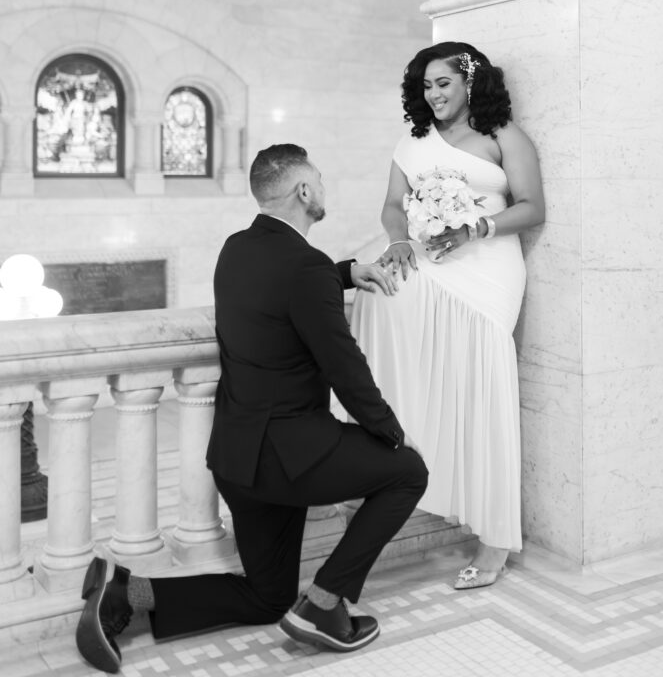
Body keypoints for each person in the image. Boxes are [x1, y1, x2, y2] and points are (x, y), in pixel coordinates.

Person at [76, 143, 427, 673]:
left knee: (267, 598)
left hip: (239, 462)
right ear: (304, 191)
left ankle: (127, 592)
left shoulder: (235, 249)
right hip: (294, 456)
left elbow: (281, 289)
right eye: (320, 180)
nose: (324, 189)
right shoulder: (304, 267)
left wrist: (343, 270)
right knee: (407, 473)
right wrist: (392, 434)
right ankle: (326, 606)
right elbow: (345, 368)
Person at [351, 42, 545, 589]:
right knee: (377, 293)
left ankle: (497, 540)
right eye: (426, 86)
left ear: (470, 82)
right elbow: (394, 204)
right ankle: (393, 455)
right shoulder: (411, 141)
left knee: (480, 387)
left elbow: (533, 206)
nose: (433, 95)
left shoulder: (504, 137)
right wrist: (399, 242)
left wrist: (475, 227)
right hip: (427, 258)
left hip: (485, 270)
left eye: (443, 83)